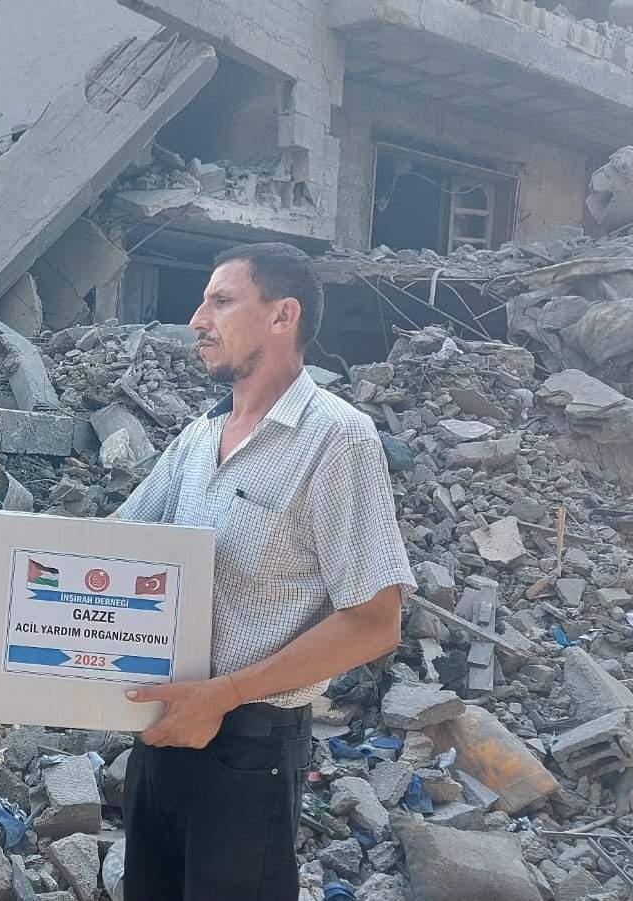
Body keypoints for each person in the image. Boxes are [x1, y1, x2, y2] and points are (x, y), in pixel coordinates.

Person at [114, 242, 416, 899]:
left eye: (221, 301)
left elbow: (375, 621)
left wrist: (223, 693)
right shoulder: (199, 437)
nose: (197, 319)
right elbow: (113, 548)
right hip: (161, 736)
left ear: (283, 316)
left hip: (246, 755)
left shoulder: (337, 438)